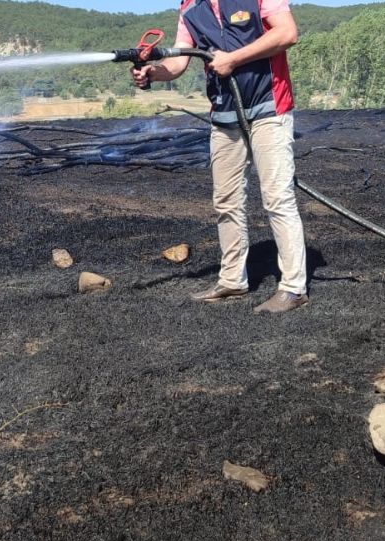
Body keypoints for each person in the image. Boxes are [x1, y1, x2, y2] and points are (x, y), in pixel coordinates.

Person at [132, 0, 309, 313]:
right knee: (226, 200)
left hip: (269, 107)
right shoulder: (189, 7)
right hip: (225, 112)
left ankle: (293, 288)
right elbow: (179, 60)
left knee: (277, 198)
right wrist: (152, 73)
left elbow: (287, 33)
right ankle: (232, 280)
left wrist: (234, 59)